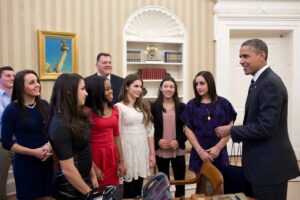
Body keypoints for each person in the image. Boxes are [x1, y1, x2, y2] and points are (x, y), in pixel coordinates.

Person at [215, 38, 300, 200]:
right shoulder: (258, 81)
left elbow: (266, 127)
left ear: (262, 55)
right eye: (240, 57)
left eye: (245, 56)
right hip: (259, 166)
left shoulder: (270, 83)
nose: (241, 61)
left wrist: (231, 130)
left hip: (269, 168)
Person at [1, 70, 53, 200]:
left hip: (46, 161)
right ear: (21, 86)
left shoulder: (45, 105)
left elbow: (52, 132)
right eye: (32, 82)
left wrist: (48, 145)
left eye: (37, 82)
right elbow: (7, 142)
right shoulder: (12, 110)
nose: (37, 85)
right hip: (25, 164)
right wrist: (34, 152)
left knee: (47, 197)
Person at [48, 73, 98, 199]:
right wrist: (90, 193)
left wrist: (92, 175)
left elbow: (84, 148)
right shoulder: (60, 125)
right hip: (70, 188)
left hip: (84, 179)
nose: (86, 93)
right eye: (82, 89)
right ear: (69, 92)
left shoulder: (77, 116)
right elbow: (68, 170)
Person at [181, 71, 237, 176]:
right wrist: (200, 151)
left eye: (202, 83)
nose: (198, 87)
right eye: (196, 84)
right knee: (202, 187)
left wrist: (218, 148)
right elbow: (188, 130)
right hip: (199, 151)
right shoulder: (191, 105)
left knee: (220, 187)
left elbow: (230, 129)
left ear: (210, 83)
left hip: (219, 152)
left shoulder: (224, 104)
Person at [116, 73, 156, 198]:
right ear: (127, 87)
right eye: (136, 86)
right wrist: (120, 159)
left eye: (141, 87)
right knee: (128, 190)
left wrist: (152, 154)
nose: (139, 89)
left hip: (141, 150)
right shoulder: (119, 107)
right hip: (127, 151)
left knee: (139, 189)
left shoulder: (143, 107)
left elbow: (150, 132)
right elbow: (116, 134)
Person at [85, 75, 126, 187]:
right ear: (97, 92)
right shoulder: (86, 113)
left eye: (111, 88)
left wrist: (121, 161)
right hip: (94, 158)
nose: (111, 91)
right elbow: (83, 144)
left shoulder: (115, 110)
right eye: (107, 89)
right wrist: (92, 167)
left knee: (113, 192)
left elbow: (116, 136)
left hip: (111, 158)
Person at [150, 76, 187, 198]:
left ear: (175, 89)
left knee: (180, 182)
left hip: (178, 150)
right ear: (161, 88)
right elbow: (149, 130)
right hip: (161, 150)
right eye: (165, 86)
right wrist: (158, 141)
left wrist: (179, 141)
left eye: (171, 86)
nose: (168, 89)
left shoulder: (182, 106)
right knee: (163, 182)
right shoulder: (153, 106)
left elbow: (187, 130)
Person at [0, 66, 14, 200]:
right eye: (8, 75)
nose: (12, 78)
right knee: (1, 181)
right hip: (2, 144)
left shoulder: (16, 97)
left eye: (13, 75)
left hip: (20, 142)